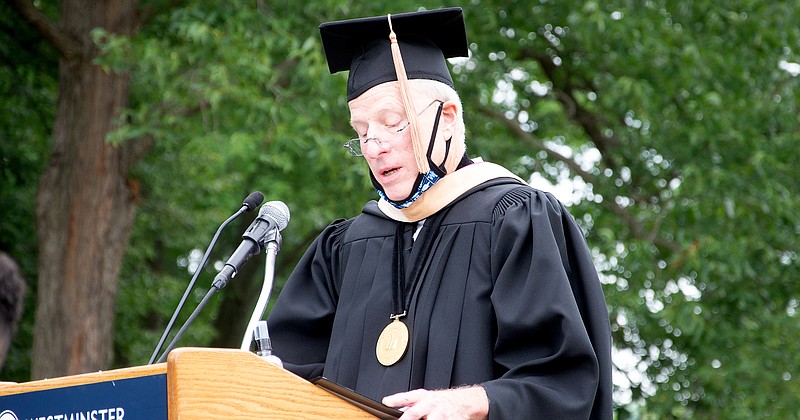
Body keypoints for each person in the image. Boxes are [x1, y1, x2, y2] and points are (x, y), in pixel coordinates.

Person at [267, 7, 612, 419]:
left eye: (392, 123)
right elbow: (287, 377)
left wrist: (469, 403)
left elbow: (562, 380)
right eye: (361, 133)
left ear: (447, 119)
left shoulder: (515, 221)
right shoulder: (344, 249)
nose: (374, 146)